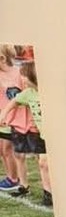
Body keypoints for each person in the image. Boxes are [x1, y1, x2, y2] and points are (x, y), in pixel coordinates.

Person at [0, 61, 52, 205]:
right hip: (44, 135)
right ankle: (48, 195)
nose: (21, 80)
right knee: (43, 164)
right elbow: (14, 102)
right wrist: (3, 114)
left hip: (54, 136)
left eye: (24, 77)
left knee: (47, 163)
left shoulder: (48, 92)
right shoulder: (28, 94)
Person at [0, 44, 22, 191]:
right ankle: (10, 176)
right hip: (2, 117)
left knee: (8, 149)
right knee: (3, 149)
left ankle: (14, 179)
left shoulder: (19, 73)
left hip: (15, 118)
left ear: (2, 58)